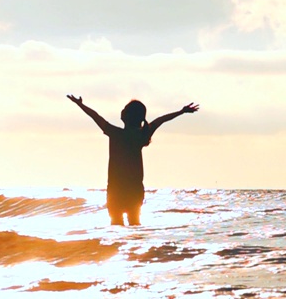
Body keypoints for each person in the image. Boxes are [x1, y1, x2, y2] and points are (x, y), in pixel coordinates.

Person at [67, 94, 199, 226]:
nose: (122, 110)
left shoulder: (115, 133)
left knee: (116, 226)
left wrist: (80, 105)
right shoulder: (142, 134)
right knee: (135, 224)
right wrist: (182, 112)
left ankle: (120, 246)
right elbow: (161, 120)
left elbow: (95, 116)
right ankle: (137, 246)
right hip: (135, 190)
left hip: (116, 189)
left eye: (125, 109)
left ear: (128, 116)